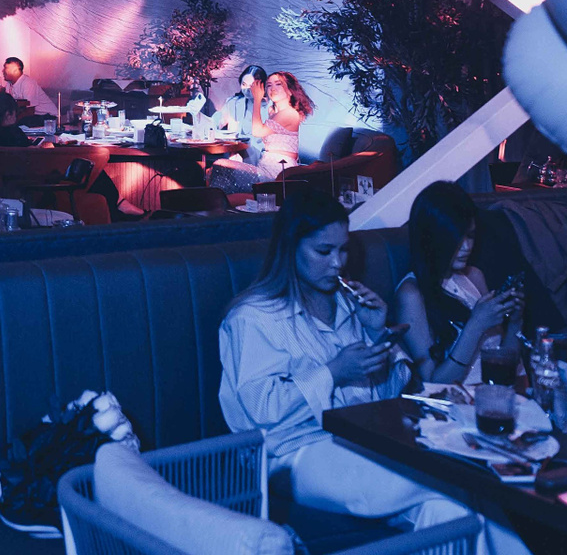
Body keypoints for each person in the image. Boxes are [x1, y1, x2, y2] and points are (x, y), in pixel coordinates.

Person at [218, 191, 526, 555]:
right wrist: (333, 372)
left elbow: (390, 396)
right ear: (290, 248)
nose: (337, 263)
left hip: (361, 441)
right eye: (323, 251)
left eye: (343, 250)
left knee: (449, 512)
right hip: (293, 453)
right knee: (461, 475)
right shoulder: (253, 318)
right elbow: (261, 411)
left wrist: (377, 332)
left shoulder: (347, 305)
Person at [390, 182, 523, 386]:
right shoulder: (411, 294)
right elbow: (434, 381)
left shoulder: (474, 276)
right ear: (432, 238)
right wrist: (475, 325)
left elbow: (505, 364)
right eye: (456, 238)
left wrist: (515, 322)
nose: (467, 247)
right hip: (456, 398)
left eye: (470, 235)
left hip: (498, 390)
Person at [211, 70, 311, 191]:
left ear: (290, 90)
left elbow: (257, 131)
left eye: (278, 84)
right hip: (264, 165)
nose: (273, 88)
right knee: (219, 168)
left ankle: (221, 199)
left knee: (221, 165)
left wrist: (257, 100)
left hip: (278, 170)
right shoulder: (272, 111)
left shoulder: (289, 113)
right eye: (269, 85)